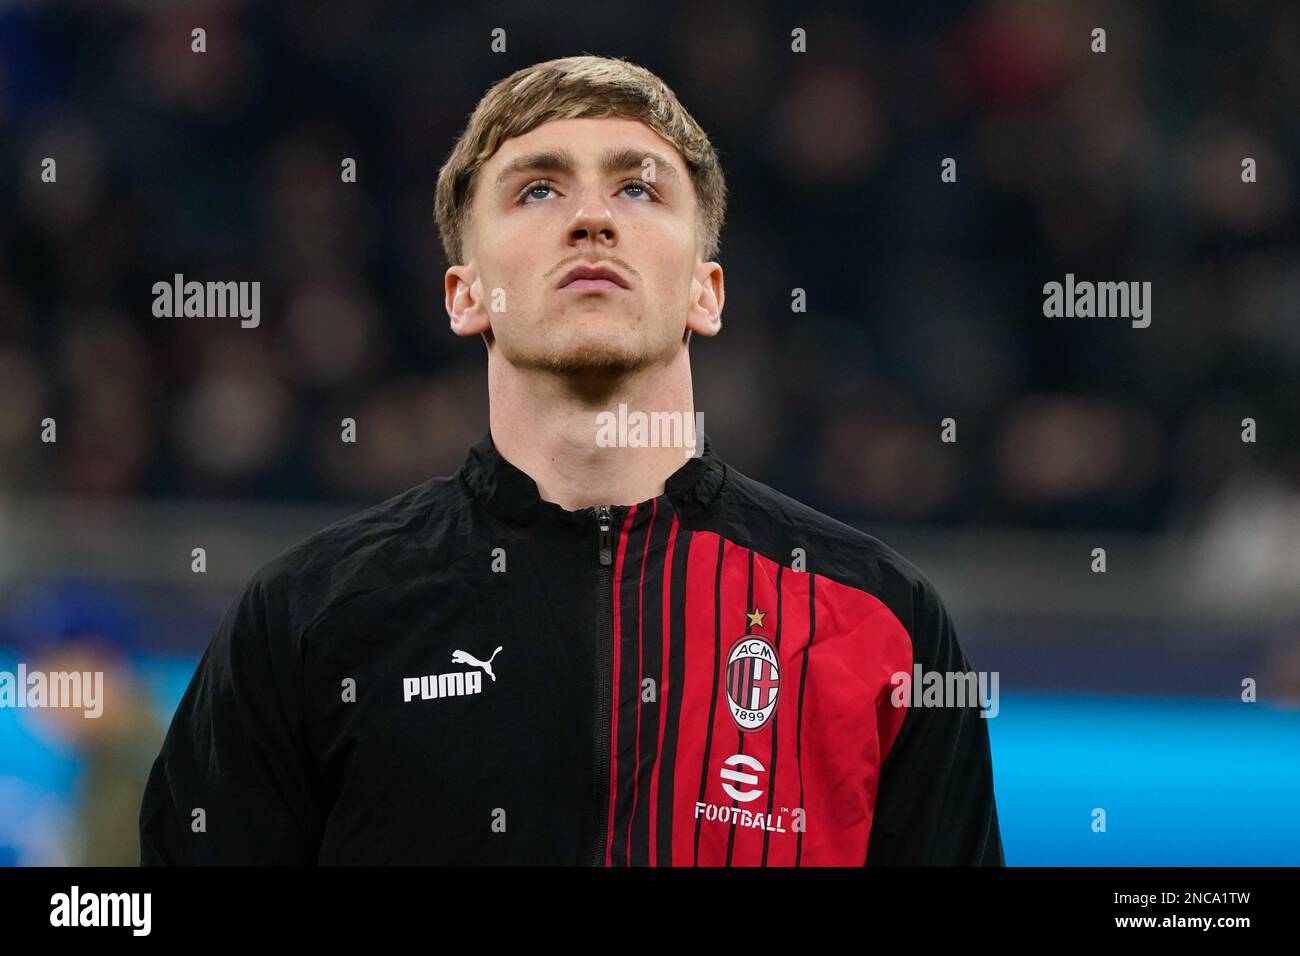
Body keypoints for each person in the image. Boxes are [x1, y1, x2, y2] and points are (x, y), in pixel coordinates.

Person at [139, 54, 1003, 866]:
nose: (592, 218)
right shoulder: (306, 621)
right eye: (539, 188)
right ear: (465, 293)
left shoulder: (881, 623)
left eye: (637, 186)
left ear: (706, 292)